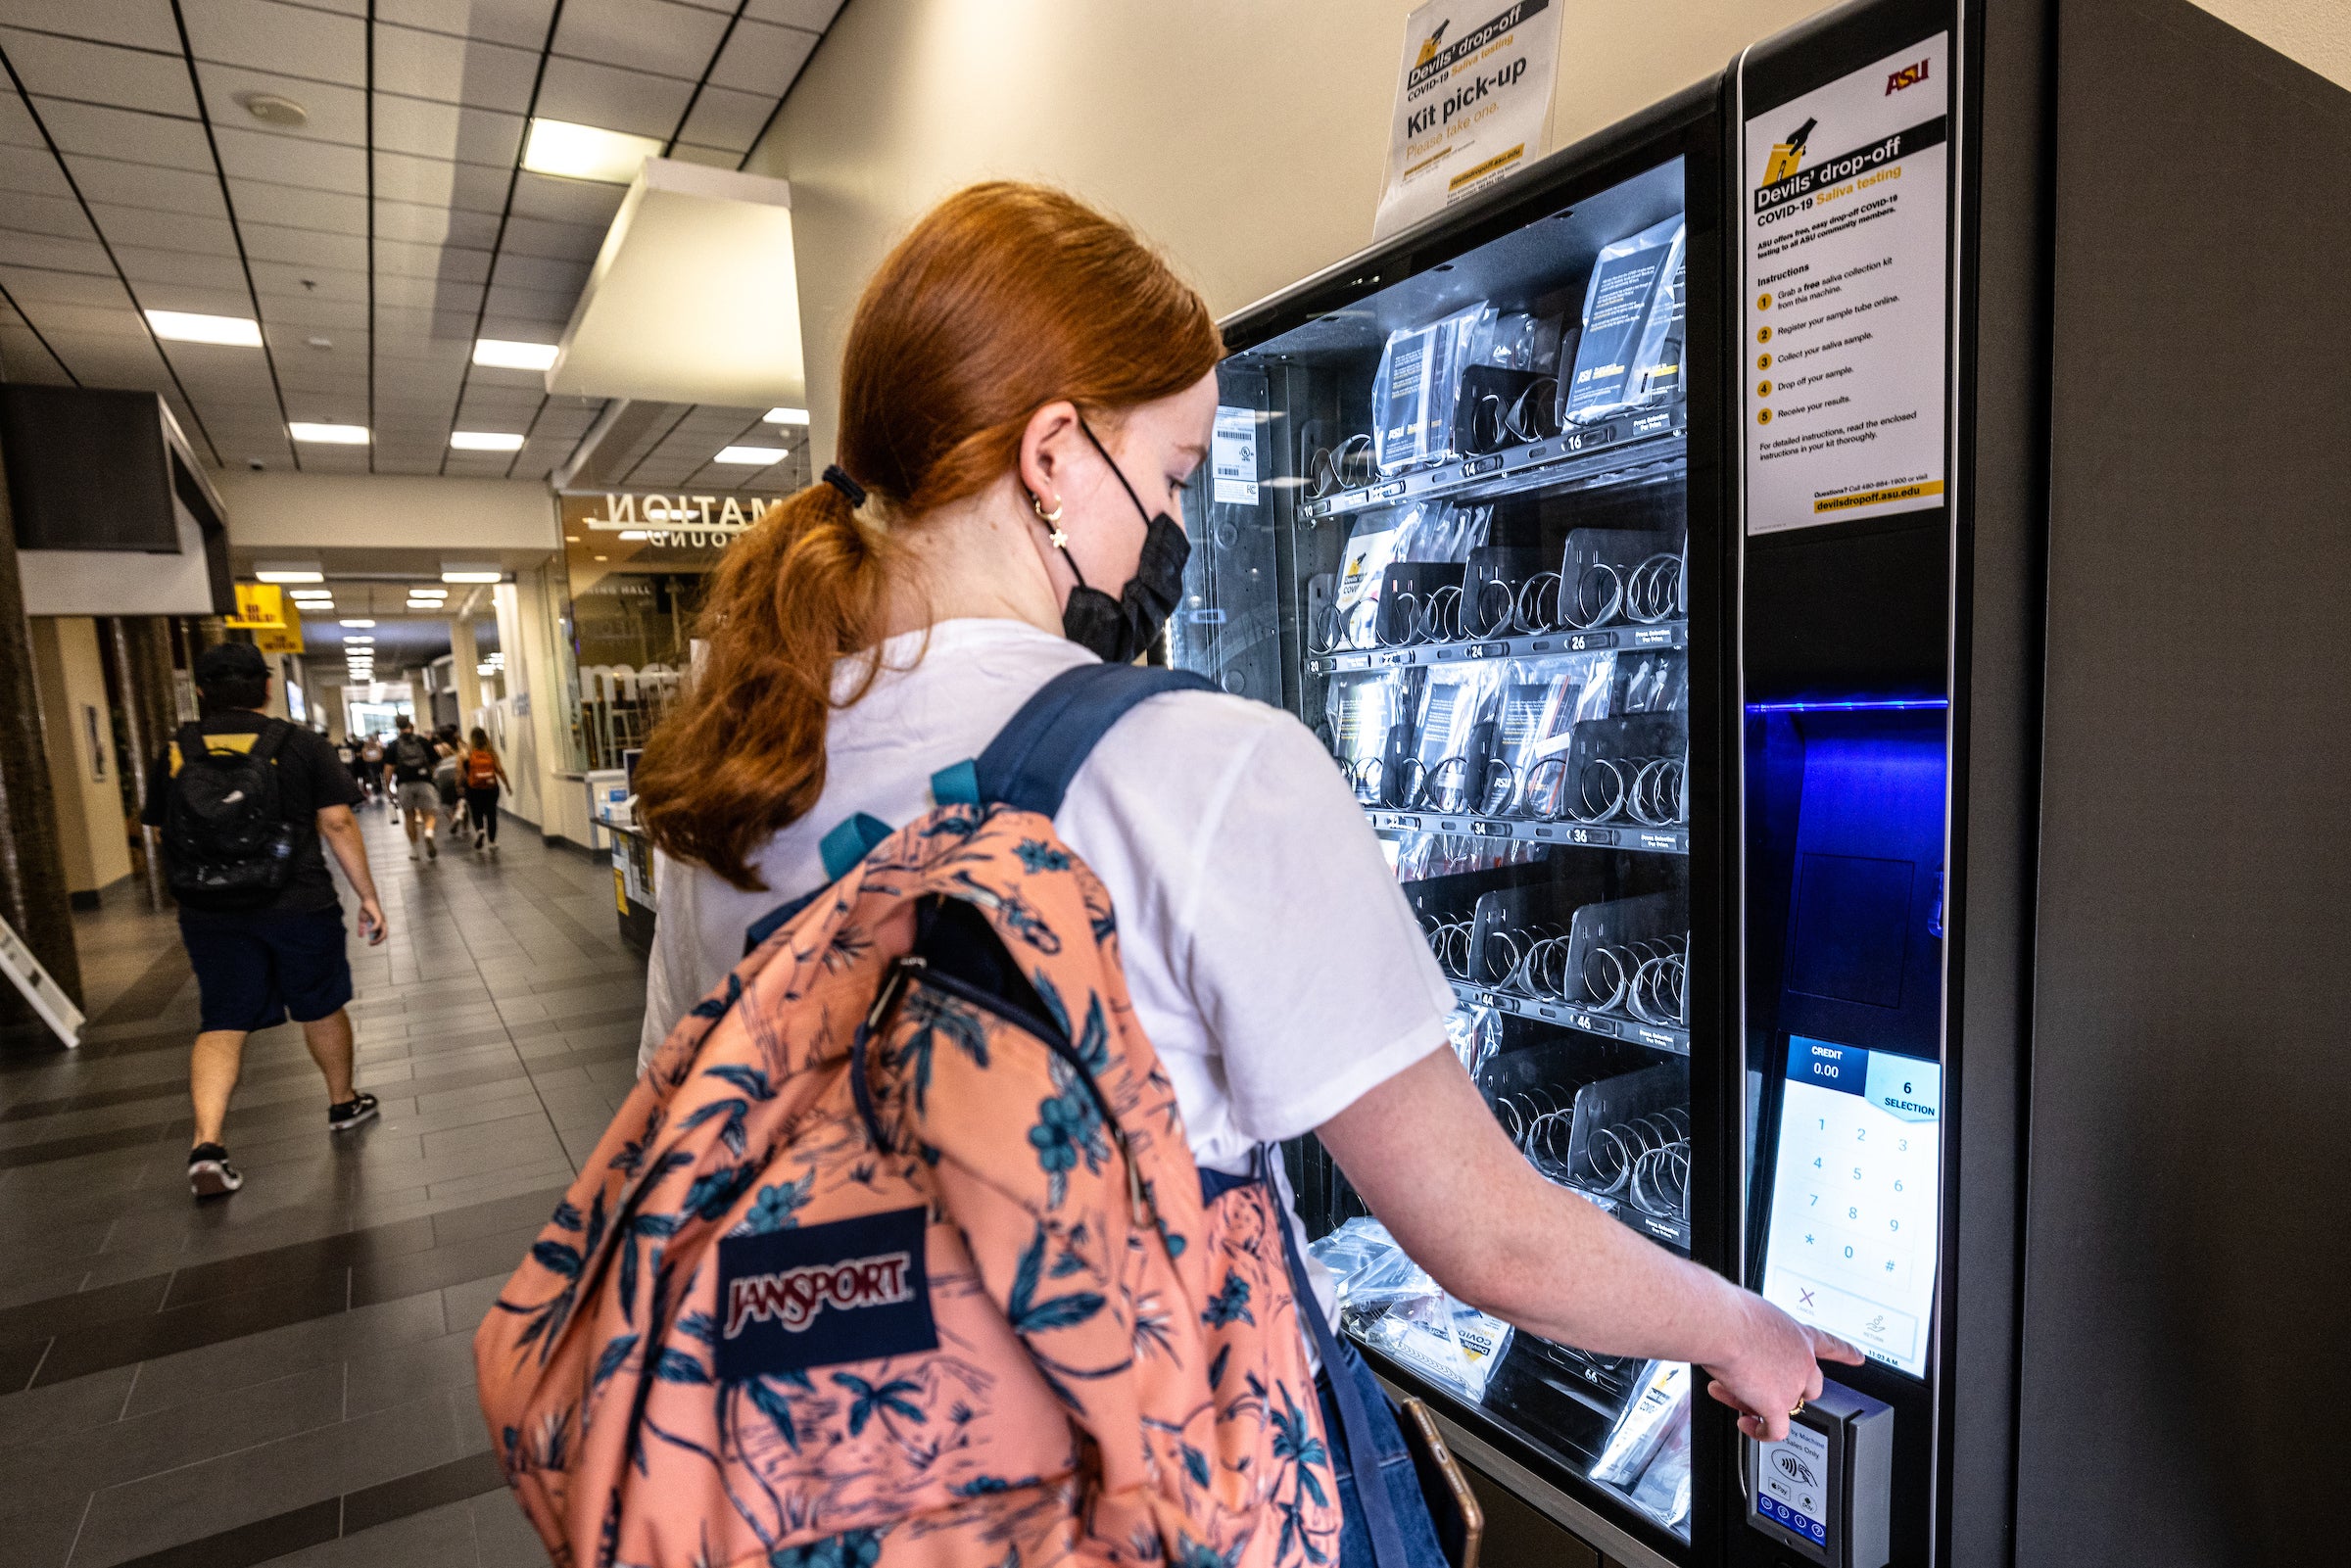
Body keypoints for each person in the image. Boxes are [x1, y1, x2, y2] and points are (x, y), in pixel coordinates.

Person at [629, 180, 1854, 1559]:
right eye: (1166, 475)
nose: (1172, 531)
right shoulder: (1199, 767)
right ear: (1052, 455)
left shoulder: (739, 772)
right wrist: (1741, 1328)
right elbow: (1488, 1238)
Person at [144, 641, 388, 1200]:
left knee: (222, 1020)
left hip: (211, 912)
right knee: (321, 1001)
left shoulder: (176, 752)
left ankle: (207, 1145)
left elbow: (164, 831)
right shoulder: (299, 744)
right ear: (267, 686)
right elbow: (338, 824)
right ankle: (342, 1103)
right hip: (298, 902)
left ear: (202, 691)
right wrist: (368, 897)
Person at [387, 714, 446, 859]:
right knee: (429, 814)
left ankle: (414, 850)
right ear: (410, 724)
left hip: (404, 785)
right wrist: (429, 775)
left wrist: (387, 788)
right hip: (424, 782)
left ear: (397, 726)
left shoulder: (393, 745)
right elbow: (436, 762)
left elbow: (388, 769)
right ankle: (428, 833)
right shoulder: (423, 741)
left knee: (409, 817)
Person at [459, 726, 509, 853]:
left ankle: (480, 830)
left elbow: (461, 771)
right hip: (491, 787)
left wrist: (459, 784)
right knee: (491, 814)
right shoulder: (491, 752)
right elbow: (500, 770)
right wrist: (507, 785)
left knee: (476, 812)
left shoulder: (468, 753)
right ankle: (492, 842)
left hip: (473, 788)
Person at [433, 723, 465, 834]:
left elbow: (433, 763)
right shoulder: (460, 745)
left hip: (443, 774)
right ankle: (465, 827)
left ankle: (453, 819)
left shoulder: (438, 748)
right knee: (461, 797)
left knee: (445, 802)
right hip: (458, 771)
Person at [358, 732, 384, 804]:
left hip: (377, 766)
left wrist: (373, 759)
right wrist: (372, 759)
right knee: (372, 776)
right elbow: (365, 758)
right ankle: (374, 788)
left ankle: (379, 789)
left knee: (378, 777)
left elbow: (380, 756)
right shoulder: (365, 749)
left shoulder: (378, 747)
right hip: (370, 766)